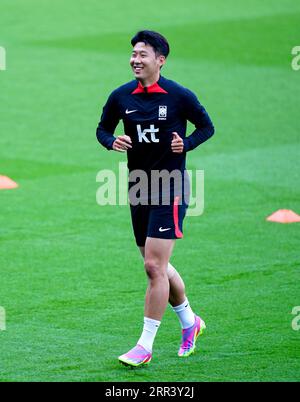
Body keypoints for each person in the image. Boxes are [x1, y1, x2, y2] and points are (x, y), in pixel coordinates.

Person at [96, 30, 215, 367]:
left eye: (143, 54)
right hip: (138, 186)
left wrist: (186, 144)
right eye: (133, 53)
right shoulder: (121, 97)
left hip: (171, 186)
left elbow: (207, 127)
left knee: (153, 266)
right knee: (155, 265)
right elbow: (102, 128)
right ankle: (191, 322)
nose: (136, 59)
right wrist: (111, 141)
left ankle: (144, 346)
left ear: (160, 60)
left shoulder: (179, 96)